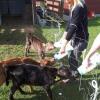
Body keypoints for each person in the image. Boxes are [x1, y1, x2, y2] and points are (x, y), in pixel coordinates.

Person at [54, 0, 89, 78]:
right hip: (74, 38)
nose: (65, 1)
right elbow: (69, 25)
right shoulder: (73, 7)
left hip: (81, 40)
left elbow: (73, 27)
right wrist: (62, 39)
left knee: (72, 59)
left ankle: (74, 76)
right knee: (71, 56)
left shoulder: (79, 7)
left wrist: (63, 46)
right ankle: (73, 72)